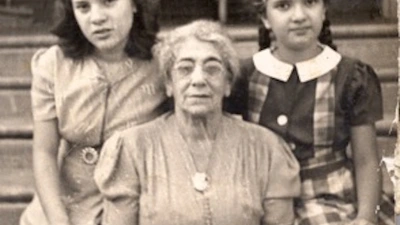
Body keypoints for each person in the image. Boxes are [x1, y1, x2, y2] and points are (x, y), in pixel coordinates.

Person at [94, 20, 300, 225]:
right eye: (185, 69)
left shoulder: (267, 150)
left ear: (228, 83)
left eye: (212, 69)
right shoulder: (132, 149)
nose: (199, 79)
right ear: (168, 84)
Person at [230, 0, 395, 224]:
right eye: (283, 6)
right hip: (263, 195)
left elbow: (366, 160)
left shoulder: (350, 76)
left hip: (330, 198)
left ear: (324, 10)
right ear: (265, 18)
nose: (299, 16)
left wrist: (365, 218)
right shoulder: (246, 76)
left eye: (309, 2)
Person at [19, 0, 167, 224]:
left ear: (136, 5)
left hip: (135, 207)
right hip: (63, 207)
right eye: (83, 7)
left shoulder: (163, 62)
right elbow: (44, 152)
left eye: (108, 2)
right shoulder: (53, 65)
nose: (96, 18)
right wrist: (58, 220)